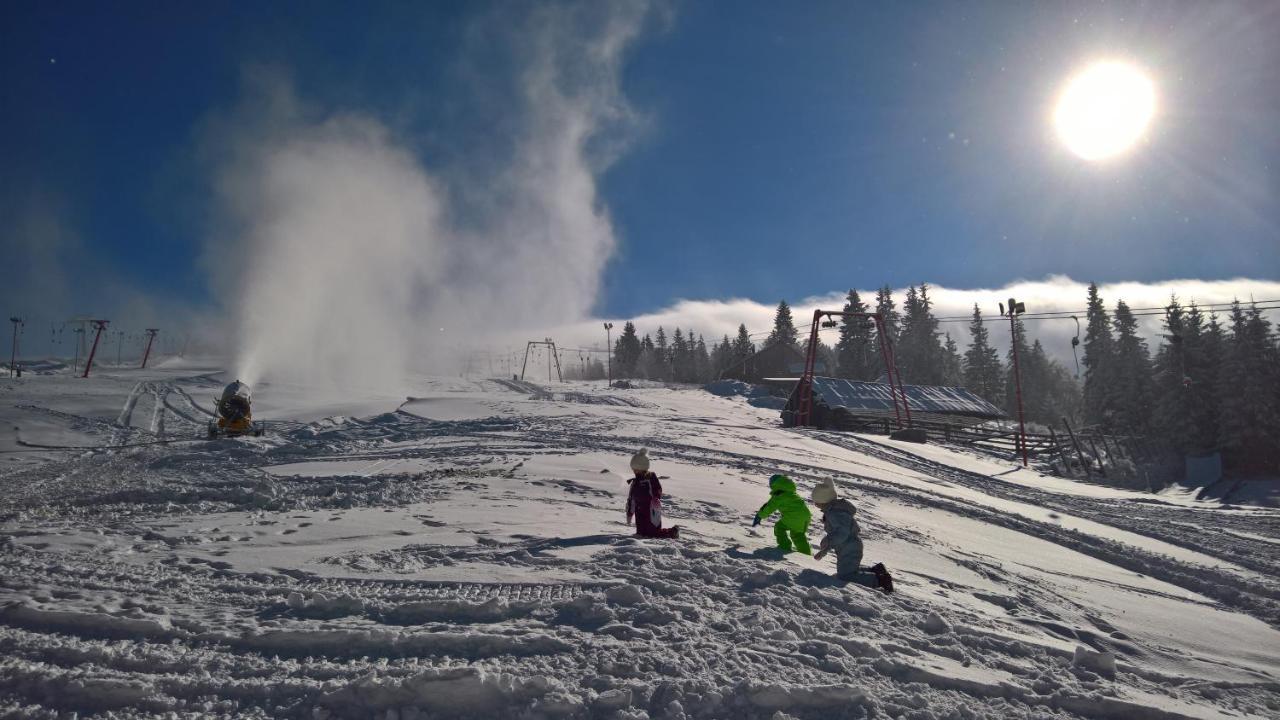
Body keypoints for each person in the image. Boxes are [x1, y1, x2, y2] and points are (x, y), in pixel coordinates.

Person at [811, 478, 893, 593]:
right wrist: (824, 550)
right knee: (849, 570)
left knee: (846, 575)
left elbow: (842, 533)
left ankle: (880, 580)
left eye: (817, 501)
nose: (815, 504)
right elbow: (838, 534)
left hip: (849, 547)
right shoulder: (833, 509)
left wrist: (828, 540)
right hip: (848, 546)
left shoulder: (835, 513)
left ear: (824, 500)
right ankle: (876, 570)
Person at [625, 449, 679, 539]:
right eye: (633, 469)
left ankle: (673, 532)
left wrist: (656, 498)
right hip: (639, 511)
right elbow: (631, 499)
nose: (634, 471)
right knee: (641, 533)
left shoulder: (651, 478)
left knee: (653, 533)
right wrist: (629, 514)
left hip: (651, 509)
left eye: (636, 469)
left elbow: (658, 489)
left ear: (642, 468)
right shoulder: (634, 483)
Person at [752, 474, 812, 554]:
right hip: (806, 516)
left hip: (794, 516)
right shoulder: (791, 493)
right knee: (798, 534)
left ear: (774, 484)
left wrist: (759, 515)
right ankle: (806, 553)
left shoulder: (779, 495)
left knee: (779, 527)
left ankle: (785, 546)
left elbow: (769, 507)